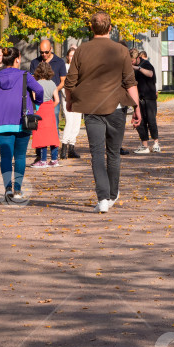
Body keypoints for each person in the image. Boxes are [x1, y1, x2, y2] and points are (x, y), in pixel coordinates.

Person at [64, 12, 141, 214]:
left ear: (91, 28)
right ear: (110, 28)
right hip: (116, 107)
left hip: (91, 108)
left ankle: (103, 197)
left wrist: (70, 102)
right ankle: (113, 194)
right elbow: (130, 82)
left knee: (96, 153)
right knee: (113, 153)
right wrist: (137, 108)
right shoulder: (121, 51)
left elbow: (70, 82)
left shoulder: (81, 51)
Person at [0, 47, 44, 202]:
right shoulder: (25, 76)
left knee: (5, 156)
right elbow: (39, 90)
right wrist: (36, 103)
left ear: (4, 60)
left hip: (1, 122)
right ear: (18, 58)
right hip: (22, 120)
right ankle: (17, 190)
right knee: (20, 156)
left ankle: (7, 189)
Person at [30, 61, 61, 167]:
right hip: (50, 110)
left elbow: (34, 98)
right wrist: (50, 107)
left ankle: (43, 160)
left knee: (42, 134)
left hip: (41, 109)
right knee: (52, 134)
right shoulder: (52, 83)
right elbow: (57, 100)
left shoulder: (37, 83)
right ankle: (54, 159)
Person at [131, 49, 160, 154]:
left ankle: (156, 144)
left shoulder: (146, 64)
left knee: (151, 121)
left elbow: (150, 74)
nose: (131, 63)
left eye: (132, 61)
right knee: (140, 122)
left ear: (137, 58)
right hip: (139, 98)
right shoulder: (132, 67)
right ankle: (145, 146)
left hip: (149, 98)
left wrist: (138, 68)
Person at [60, 46, 82, 159]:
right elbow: (64, 84)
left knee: (77, 123)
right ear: (68, 57)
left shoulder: (81, 67)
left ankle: (71, 147)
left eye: (74, 55)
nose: (72, 58)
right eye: (71, 55)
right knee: (69, 121)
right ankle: (64, 146)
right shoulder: (65, 67)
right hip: (67, 98)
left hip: (79, 98)